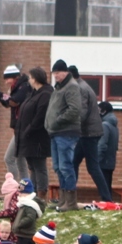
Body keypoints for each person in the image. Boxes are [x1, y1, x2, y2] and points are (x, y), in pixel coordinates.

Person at [45, 60, 84, 211]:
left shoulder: (71, 87)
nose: (55, 76)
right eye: (54, 73)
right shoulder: (59, 88)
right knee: (58, 167)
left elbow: (74, 109)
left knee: (66, 166)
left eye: (58, 73)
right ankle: (63, 200)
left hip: (66, 132)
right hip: (55, 132)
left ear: (65, 72)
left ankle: (71, 202)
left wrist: (57, 121)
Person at [70, 65, 113, 202]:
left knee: (92, 167)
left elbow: (82, 112)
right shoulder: (82, 85)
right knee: (74, 162)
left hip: (88, 133)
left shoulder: (80, 88)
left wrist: (71, 126)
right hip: (87, 132)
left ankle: (106, 198)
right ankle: (70, 194)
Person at [0, 64, 33, 181]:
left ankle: (13, 185)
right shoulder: (16, 87)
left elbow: (14, 101)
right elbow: (7, 103)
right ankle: (24, 185)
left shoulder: (23, 87)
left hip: (23, 128)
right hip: (19, 128)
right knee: (20, 160)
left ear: (14, 77)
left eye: (7, 79)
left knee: (9, 158)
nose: (6, 82)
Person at [18, 67, 54, 202]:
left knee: (39, 166)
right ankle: (32, 193)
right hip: (28, 137)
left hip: (38, 137)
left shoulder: (45, 94)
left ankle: (41, 195)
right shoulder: (33, 93)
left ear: (36, 79)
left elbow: (40, 116)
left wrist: (29, 129)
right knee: (32, 167)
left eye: (30, 77)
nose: (29, 80)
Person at [11, 179, 42, 244]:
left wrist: (19, 224)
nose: (20, 194)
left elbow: (30, 218)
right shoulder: (24, 204)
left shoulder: (30, 205)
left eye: (22, 192)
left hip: (26, 234)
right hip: (21, 234)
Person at [98, 102, 118, 191]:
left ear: (104, 111)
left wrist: (97, 160)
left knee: (104, 187)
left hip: (104, 161)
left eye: (99, 109)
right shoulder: (113, 125)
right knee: (107, 186)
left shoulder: (105, 125)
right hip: (110, 161)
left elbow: (102, 145)